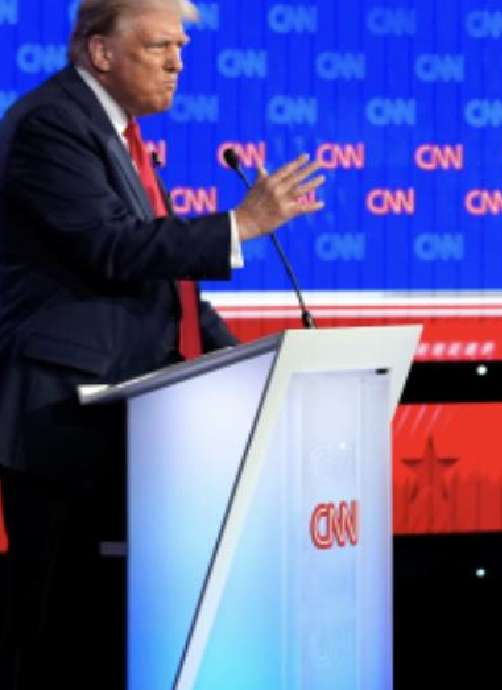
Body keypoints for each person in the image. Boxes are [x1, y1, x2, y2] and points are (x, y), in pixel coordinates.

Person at [0, 0, 325, 686]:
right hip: (63, 421)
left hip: (123, 421)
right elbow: (109, 249)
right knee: (55, 632)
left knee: (112, 633)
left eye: (180, 47)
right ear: (100, 53)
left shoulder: (118, 135)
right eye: (159, 47)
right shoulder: (51, 125)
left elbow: (164, 284)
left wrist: (258, 366)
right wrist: (238, 224)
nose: (178, 63)